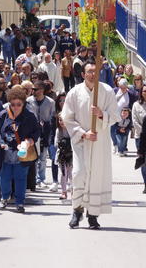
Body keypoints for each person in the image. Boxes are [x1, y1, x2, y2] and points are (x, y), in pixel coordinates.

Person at [61, 59, 120, 229]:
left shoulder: (107, 91)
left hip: (100, 141)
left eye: (95, 71)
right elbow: (67, 117)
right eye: (89, 72)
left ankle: (93, 215)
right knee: (79, 174)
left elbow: (115, 116)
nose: (93, 74)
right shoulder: (74, 92)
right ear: (83, 74)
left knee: (97, 177)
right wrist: (83, 133)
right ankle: (76, 211)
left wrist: (102, 114)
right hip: (81, 141)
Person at [0, 88, 41, 213]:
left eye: (19, 104)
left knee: (21, 178)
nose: (15, 107)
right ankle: (5, 197)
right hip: (5, 152)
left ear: (23, 104)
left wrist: (29, 141)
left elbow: (37, 131)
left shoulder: (29, 116)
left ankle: (20, 202)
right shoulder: (2, 115)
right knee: (4, 178)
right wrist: (0, 142)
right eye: (13, 104)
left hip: (22, 153)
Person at [26, 81, 56, 189]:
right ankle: (32, 179)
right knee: (33, 155)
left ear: (42, 90)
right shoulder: (28, 101)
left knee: (43, 156)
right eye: (32, 89)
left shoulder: (50, 102)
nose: (33, 91)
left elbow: (53, 116)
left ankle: (41, 179)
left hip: (45, 131)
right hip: (32, 131)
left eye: (36, 89)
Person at [111, 78, 137, 154]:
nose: (122, 89)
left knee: (125, 131)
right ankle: (115, 144)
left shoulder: (130, 93)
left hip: (125, 116)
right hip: (115, 114)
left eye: (124, 87)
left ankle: (124, 146)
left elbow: (135, 98)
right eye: (121, 87)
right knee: (113, 130)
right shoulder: (115, 91)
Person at [55, 114, 72, 200]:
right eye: (60, 120)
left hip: (71, 155)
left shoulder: (71, 129)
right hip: (61, 155)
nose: (61, 122)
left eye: (63, 120)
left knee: (71, 174)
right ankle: (63, 192)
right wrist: (62, 144)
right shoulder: (59, 130)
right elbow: (56, 143)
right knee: (63, 173)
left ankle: (73, 192)